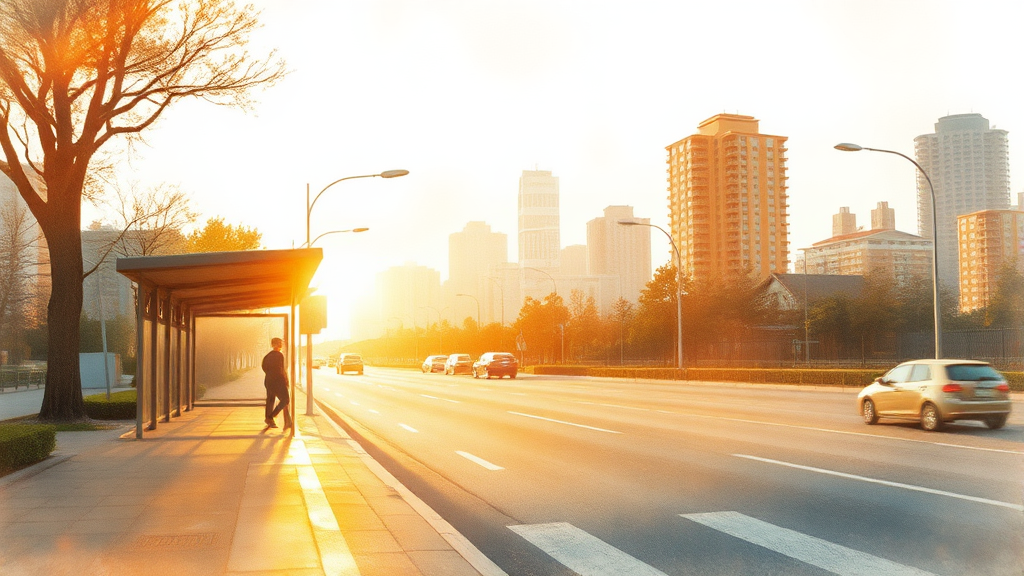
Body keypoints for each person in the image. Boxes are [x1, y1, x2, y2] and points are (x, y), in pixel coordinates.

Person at [261, 337, 292, 430]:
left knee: (270, 400)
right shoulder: (279, 355)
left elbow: (264, 367)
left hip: (269, 380)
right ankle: (272, 416)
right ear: (278, 345)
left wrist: (270, 374)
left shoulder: (267, 356)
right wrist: (285, 380)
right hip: (278, 381)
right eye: (280, 343)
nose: (281, 344)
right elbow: (281, 369)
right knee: (285, 399)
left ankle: (269, 419)